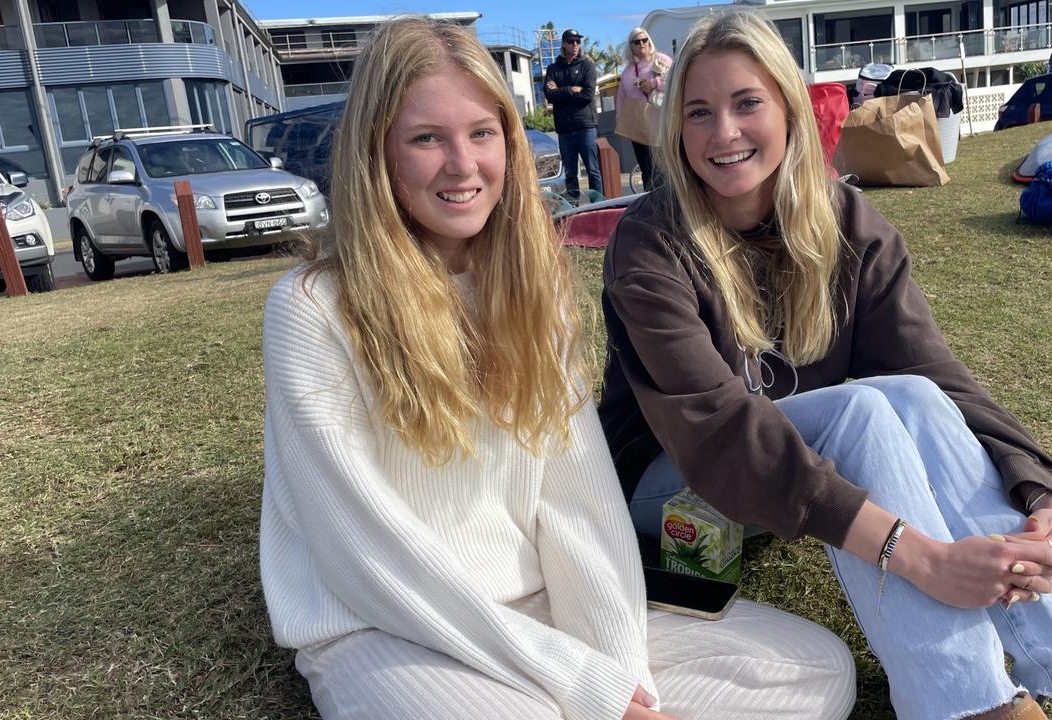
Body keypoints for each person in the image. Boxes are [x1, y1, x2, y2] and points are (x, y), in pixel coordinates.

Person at [598, 11, 1052, 720]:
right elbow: (718, 433)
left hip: (785, 473)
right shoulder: (650, 244)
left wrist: (1043, 495)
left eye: (746, 103)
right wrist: (920, 556)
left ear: (789, 110)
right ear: (676, 130)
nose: (724, 133)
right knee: (858, 410)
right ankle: (966, 702)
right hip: (669, 488)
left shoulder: (846, 222)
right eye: (699, 113)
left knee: (912, 396)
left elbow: (938, 377)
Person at [260, 15, 857, 720]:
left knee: (816, 670)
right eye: (427, 138)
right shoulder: (310, 309)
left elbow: (580, 498)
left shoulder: (528, 288)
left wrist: (620, 671)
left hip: (543, 606)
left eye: (483, 134)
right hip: (390, 627)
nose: (463, 165)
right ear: (377, 152)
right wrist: (583, 685)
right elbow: (368, 558)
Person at [545, 28, 602, 201]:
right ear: (564, 44)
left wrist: (561, 92)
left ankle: (599, 206)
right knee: (570, 173)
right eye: (571, 41)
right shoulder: (554, 68)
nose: (575, 44)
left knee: (593, 171)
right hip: (565, 129)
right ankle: (573, 211)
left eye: (577, 41)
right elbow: (549, 95)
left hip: (585, 126)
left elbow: (587, 95)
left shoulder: (587, 65)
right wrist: (571, 89)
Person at [616, 27, 673, 190]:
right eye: (636, 41)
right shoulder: (627, 72)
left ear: (649, 41)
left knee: (664, 166)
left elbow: (675, 81)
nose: (641, 44)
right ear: (631, 46)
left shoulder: (662, 60)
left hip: (661, 120)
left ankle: (670, 200)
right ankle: (650, 202)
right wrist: (620, 120)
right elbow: (621, 97)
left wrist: (654, 84)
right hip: (638, 124)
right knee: (646, 167)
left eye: (644, 40)